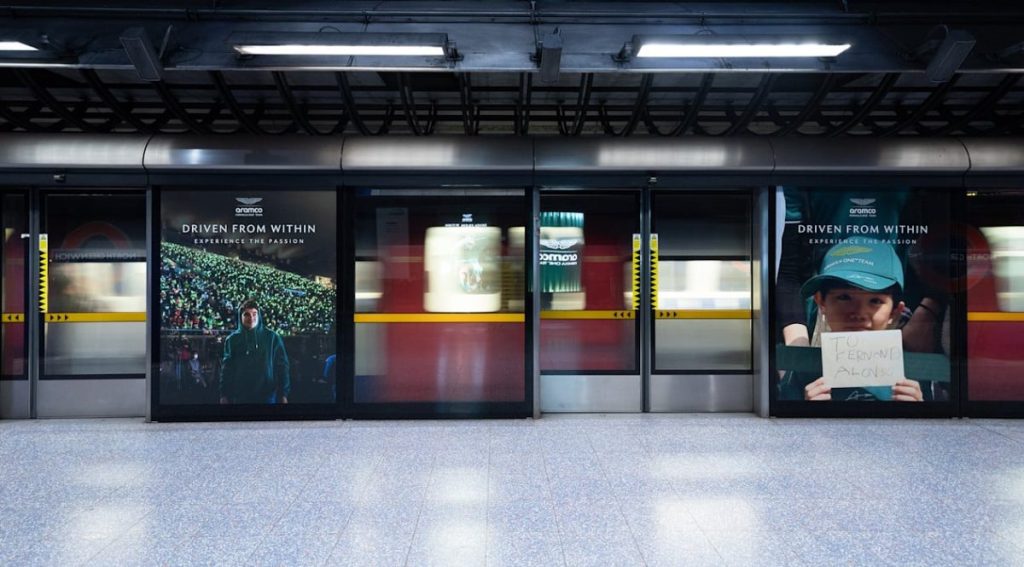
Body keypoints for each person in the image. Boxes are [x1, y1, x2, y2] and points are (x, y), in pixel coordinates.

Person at [779, 238, 924, 402]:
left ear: (895, 311)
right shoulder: (800, 375)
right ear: (821, 302)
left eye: (875, 301)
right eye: (844, 297)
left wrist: (917, 412)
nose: (859, 313)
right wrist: (806, 413)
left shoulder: (917, 374)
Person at [219, 299, 291, 404]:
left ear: (259, 316)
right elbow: (227, 369)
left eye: (254, 314)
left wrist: (284, 394)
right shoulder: (232, 340)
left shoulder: (272, 338)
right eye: (247, 314)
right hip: (239, 396)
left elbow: (282, 367)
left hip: (268, 396)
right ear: (241, 317)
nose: (251, 318)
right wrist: (223, 394)